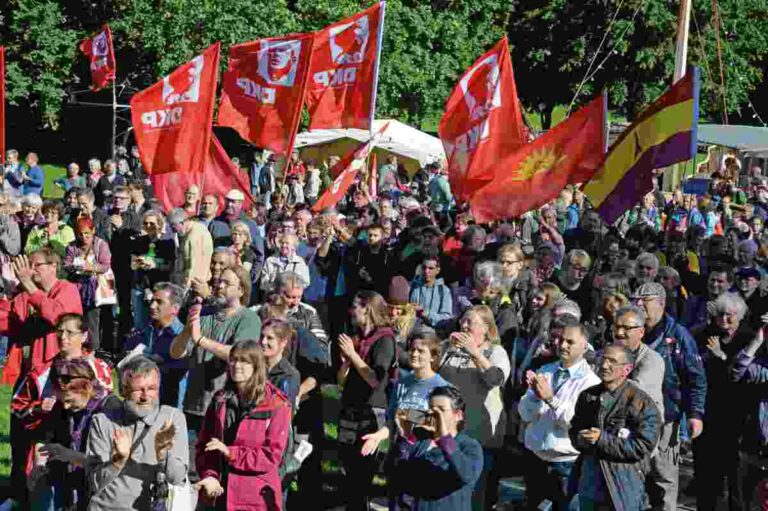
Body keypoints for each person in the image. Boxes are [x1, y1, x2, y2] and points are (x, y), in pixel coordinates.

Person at [631, 281, 707, 511]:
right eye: (637, 300)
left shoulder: (679, 335)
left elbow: (695, 378)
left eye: (646, 301)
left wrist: (695, 414)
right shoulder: (630, 331)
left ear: (662, 303)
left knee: (663, 480)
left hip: (667, 419)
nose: (640, 305)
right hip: (632, 417)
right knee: (634, 480)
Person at [170, 266, 262, 446]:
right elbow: (176, 352)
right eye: (219, 281)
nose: (219, 285)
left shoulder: (249, 319)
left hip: (227, 405)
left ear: (241, 289)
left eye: (227, 283)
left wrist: (202, 340)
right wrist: (188, 330)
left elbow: (240, 354)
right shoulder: (205, 314)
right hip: (195, 404)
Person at [194, 339, 291, 510]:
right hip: (220, 495)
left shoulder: (277, 404)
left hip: (255, 497)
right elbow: (205, 445)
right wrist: (210, 475)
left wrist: (231, 453)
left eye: (244, 361)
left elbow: (271, 456)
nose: (236, 365)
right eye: (233, 359)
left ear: (257, 366)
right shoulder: (220, 400)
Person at [85, 356, 189, 510]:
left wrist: (163, 456)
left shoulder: (172, 418)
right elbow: (93, 484)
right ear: (123, 390)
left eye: (152, 388)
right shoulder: (103, 421)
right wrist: (118, 461)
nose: (145, 396)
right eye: (138, 389)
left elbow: (177, 478)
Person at [518, 322, 601, 510]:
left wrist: (550, 399)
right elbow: (525, 414)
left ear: (584, 346)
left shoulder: (591, 382)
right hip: (536, 456)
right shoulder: (546, 371)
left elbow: (576, 423)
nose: (562, 345)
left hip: (566, 463)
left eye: (570, 342)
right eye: (561, 340)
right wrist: (534, 396)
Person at [570, 345, 662, 511]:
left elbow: (642, 446)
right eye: (603, 359)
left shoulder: (641, 403)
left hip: (622, 485)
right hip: (589, 484)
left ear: (626, 369)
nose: (604, 365)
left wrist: (602, 440)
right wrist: (579, 439)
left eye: (612, 361)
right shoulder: (588, 396)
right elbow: (575, 428)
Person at [438, 305, 511, 511]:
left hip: (479, 437)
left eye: (471, 322)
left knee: (474, 495)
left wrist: (475, 353)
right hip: (447, 432)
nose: (464, 325)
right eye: (463, 320)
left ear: (487, 328)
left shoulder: (496, 352)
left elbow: (496, 379)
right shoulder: (448, 348)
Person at [34, 357, 121, 511]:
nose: (66, 406)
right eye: (63, 400)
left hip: (103, 487)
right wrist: (39, 466)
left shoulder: (110, 410)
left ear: (87, 388)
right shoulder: (62, 406)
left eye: (69, 400)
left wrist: (70, 455)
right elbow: (45, 438)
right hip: (70, 483)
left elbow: (108, 463)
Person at [336, 291, 396, 511]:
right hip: (349, 407)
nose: (352, 311)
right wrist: (345, 363)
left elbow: (374, 379)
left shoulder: (385, 339)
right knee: (348, 469)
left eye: (356, 306)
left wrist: (353, 355)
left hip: (371, 410)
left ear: (368, 308)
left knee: (363, 473)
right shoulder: (356, 337)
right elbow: (340, 381)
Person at [693, 292, 753, 510]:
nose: (724, 321)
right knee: (706, 472)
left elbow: (743, 374)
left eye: (730, 316)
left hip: (737, 414)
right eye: (720, 315)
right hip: (708, 410)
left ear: (740, 315)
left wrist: (721, 356)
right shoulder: (705, 334)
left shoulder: (748, 338)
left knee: (734, 472)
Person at [391, 385, 484, 511]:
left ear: (458, 416)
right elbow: (395, 473)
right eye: (430, 409)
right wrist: (406, 436)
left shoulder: (469, 445)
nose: (433, 415)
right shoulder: (421, 439)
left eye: (440, 410)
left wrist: (444, 438)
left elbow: (468, 475)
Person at [124, 282, 186, 407]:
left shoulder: (182, 337)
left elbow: (184, 368)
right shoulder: (145, 331)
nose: (152, 306)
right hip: (142, 402)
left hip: (170, 405)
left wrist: (160, 362)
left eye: (159, 302)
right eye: (152, 300)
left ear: (175, 308)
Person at [64, 216, 113, 353]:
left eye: (87, 233)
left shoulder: (100, 245)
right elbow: (66, 264)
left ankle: (93, 351)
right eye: (80, 234)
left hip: (95, 290)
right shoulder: (72, 246)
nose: (84, 237)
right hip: (77, 289)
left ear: (93, 231)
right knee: (77, 320)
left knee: (92, 321)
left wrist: (90, 267)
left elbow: (105, 266)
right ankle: (76, 349)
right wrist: (75, 266)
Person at [610, 305, 665, 414]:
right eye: (616, 327)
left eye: (626, 328)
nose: (619, 333)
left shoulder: (652, 359)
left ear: (641, 332)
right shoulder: (605, 354)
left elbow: (635, 391)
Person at [166, 207, 213, 290]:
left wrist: (186, 288)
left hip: (196, 285)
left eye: (174, 227)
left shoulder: (195, 236)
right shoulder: (192, 231)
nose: (173, 231)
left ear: (182, 222)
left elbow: (195, 266)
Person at [409, 253, 453, 331]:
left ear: (437, 270)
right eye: (424, 267)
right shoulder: (413, 286)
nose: (426, 271)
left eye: (430, 268)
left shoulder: (444, 291)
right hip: (412, 330)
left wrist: (426, 314)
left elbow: (447, 317)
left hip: (433, 333)